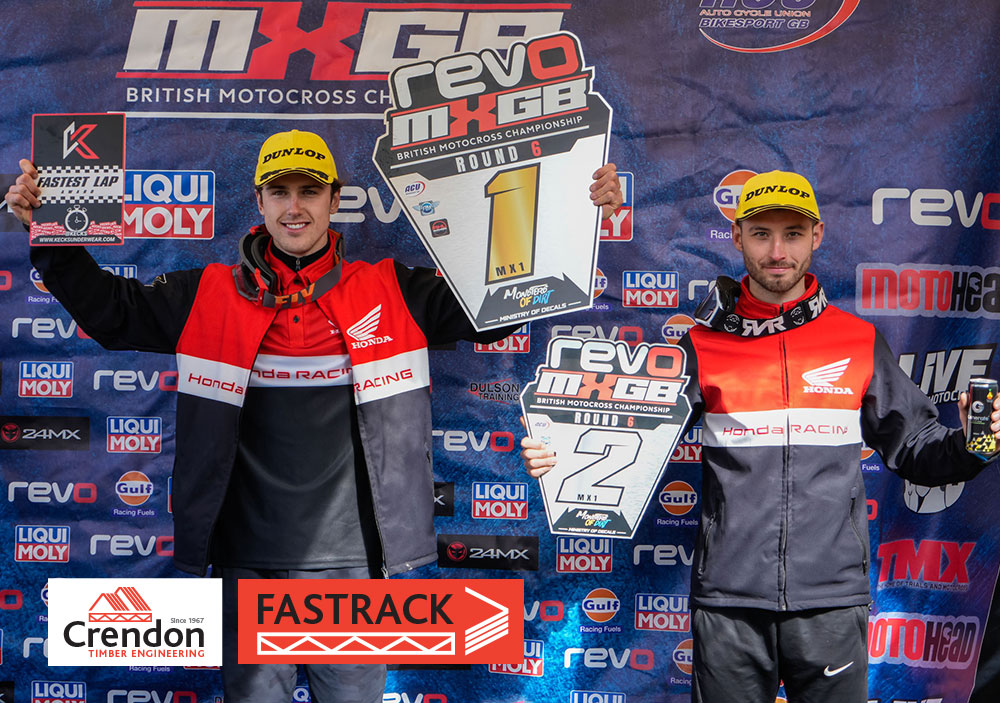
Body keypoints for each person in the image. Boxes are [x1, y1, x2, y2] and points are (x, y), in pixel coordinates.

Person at [6, 129, 623, 703]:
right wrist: (52, 230)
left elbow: (501, 307)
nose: (293, 208)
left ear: (334, 200)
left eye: (309, 191)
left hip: (354, 564)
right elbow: (111, 314)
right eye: (279, 193)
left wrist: (578, 210)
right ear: (259, 201)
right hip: (247, 557)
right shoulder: (208, 293)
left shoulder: (391, 288)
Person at [520, 170, 1000, 703]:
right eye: (761, 233)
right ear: (737, 237)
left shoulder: (858, 341)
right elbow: (625, 436)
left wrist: (977, 442)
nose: (777, 251)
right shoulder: (701, 346)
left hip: (831, 603)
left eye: (793, 233)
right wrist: (557, 457)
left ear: (816, 237)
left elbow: (916, 450)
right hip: (729, 603)